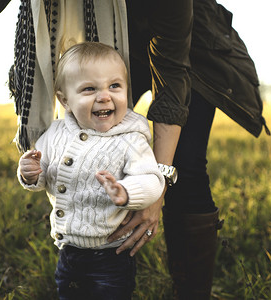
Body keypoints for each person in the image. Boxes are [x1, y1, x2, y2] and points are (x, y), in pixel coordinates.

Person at [0, 0, 270, 299]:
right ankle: (97, 256)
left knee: (186, 167)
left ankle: (190, 292)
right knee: (94, 151)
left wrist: (156, 184)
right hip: (97, 45)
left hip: (190, 51)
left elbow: (172, 74)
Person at [18, 42, 165, 300]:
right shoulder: (55, 134)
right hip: (68, 252)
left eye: (115, 86)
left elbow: (152, 180)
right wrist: (30, 172)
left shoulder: (130, 139)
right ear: (65, 100)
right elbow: (43, 175)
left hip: (112, 255)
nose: (104, 96)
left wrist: (126, 191)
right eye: (89, 89)